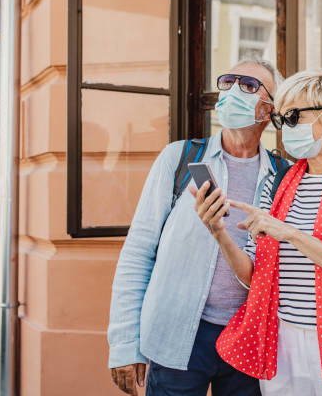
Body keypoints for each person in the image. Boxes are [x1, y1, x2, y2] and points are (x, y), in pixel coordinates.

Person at [193, 68, 322, 395]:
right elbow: (253, 276)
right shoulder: (277, 183)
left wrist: (290, 233)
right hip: (283, 345)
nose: (283, 129)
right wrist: (218, 232)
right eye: (280, 120)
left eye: (292, 118)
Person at [107, 58, 285, 396]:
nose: (234, 90)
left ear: (269, 109)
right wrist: (125, 344)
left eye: (248, 85)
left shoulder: (283, 175)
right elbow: (138, 251)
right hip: (178, 335)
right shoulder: (181, 159)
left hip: (249, 338)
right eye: (229, 81)